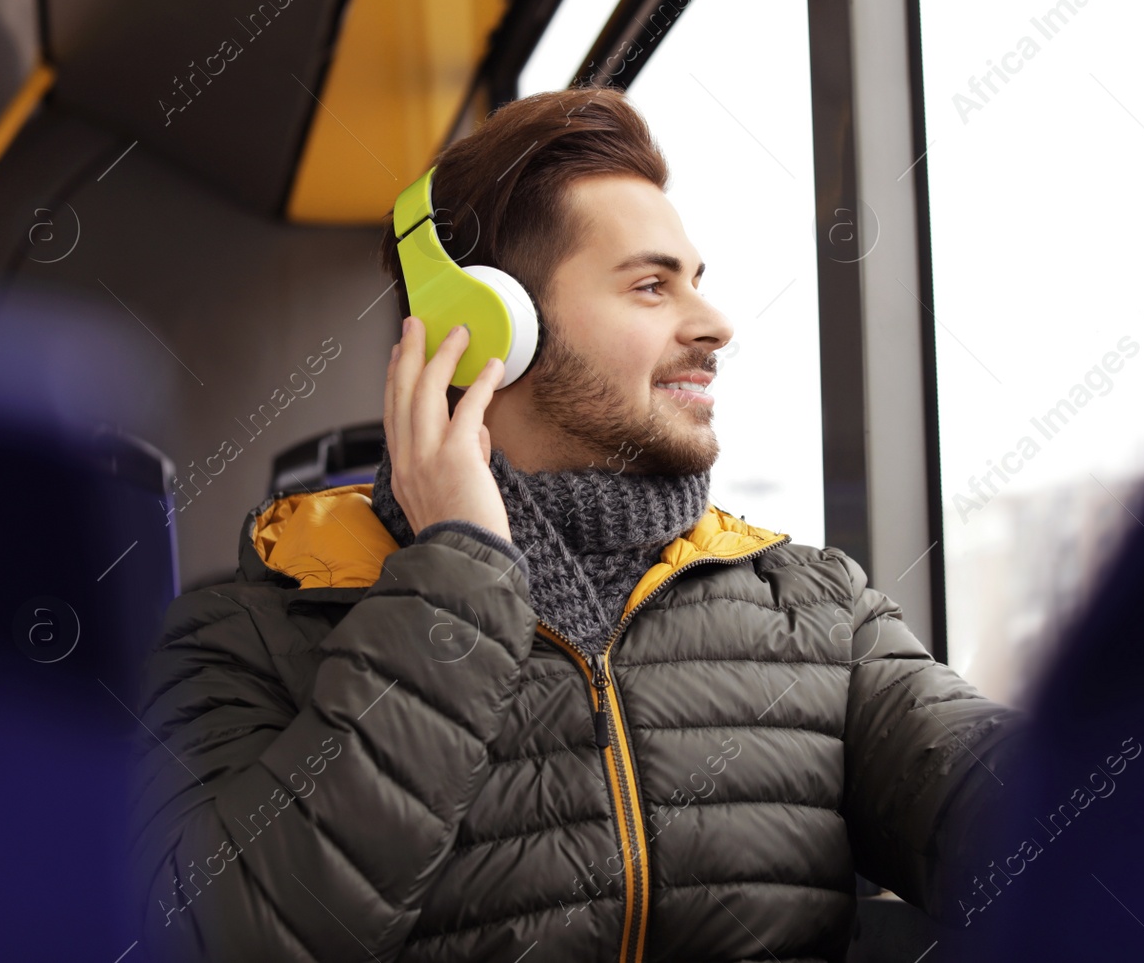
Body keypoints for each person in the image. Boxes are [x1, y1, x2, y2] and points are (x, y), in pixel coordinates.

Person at [131, 87, 1026, 962]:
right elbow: (206, 930)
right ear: (486, 328)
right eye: (650, 286)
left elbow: (1028, 814)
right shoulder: (249, 636)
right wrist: (457, 582)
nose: (714, 324)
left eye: (697, 284)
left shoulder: (815, 613)